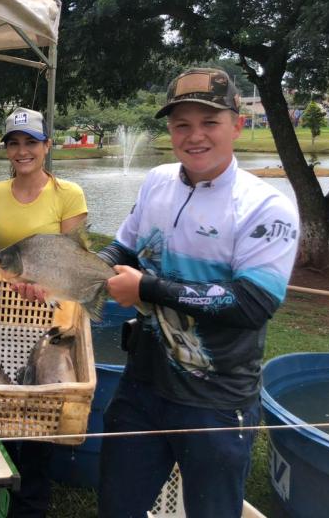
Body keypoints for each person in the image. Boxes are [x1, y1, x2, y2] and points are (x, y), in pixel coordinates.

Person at [96, 68, 300, 517]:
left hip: (217, 402)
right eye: (181, 124)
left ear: (237, 124)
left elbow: (251, 304)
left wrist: (146, 287)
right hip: (142, 388)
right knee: (117, 507)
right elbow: (123, 246)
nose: (195, 136)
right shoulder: (157, 181)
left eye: (210, 122)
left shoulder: (265, 207)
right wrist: (73, 275)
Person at [0, 107, 88, 518]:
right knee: (0, 402)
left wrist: (46, 288)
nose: (22, 151)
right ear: (7, 149)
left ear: (46, 146)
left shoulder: (68, 194)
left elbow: (74, 259)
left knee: (40, 410)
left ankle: (30, 503)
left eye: (30, 142)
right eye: (14, 143)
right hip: (3, 313)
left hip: (51, 314)